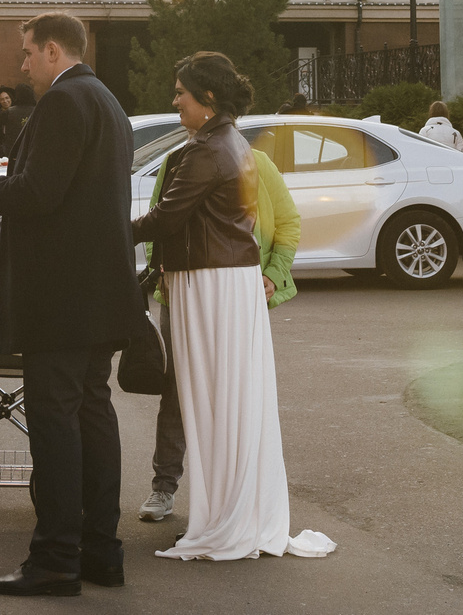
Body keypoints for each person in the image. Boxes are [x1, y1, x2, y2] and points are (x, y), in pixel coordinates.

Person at [0, 12, 136, 597]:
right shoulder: (106, 100)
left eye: (28, 53)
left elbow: (38, 194)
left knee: (56, 426)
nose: (23, 64)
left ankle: (56, 559)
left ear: (54, 51)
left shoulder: (65, 102)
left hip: (61, 300)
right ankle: (100, 552)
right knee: (92, 415)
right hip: (96, 296)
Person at [132, 52, 289, 561]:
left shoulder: (208, 149)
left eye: (181, 92)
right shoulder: (226, 142)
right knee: (223, 400)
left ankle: (225, 517)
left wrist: (101, 230)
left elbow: (165, 219)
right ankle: (228, 510)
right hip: (220, 280)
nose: (174, 100)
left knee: (208, 399)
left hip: (212, 282)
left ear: (209, 99)